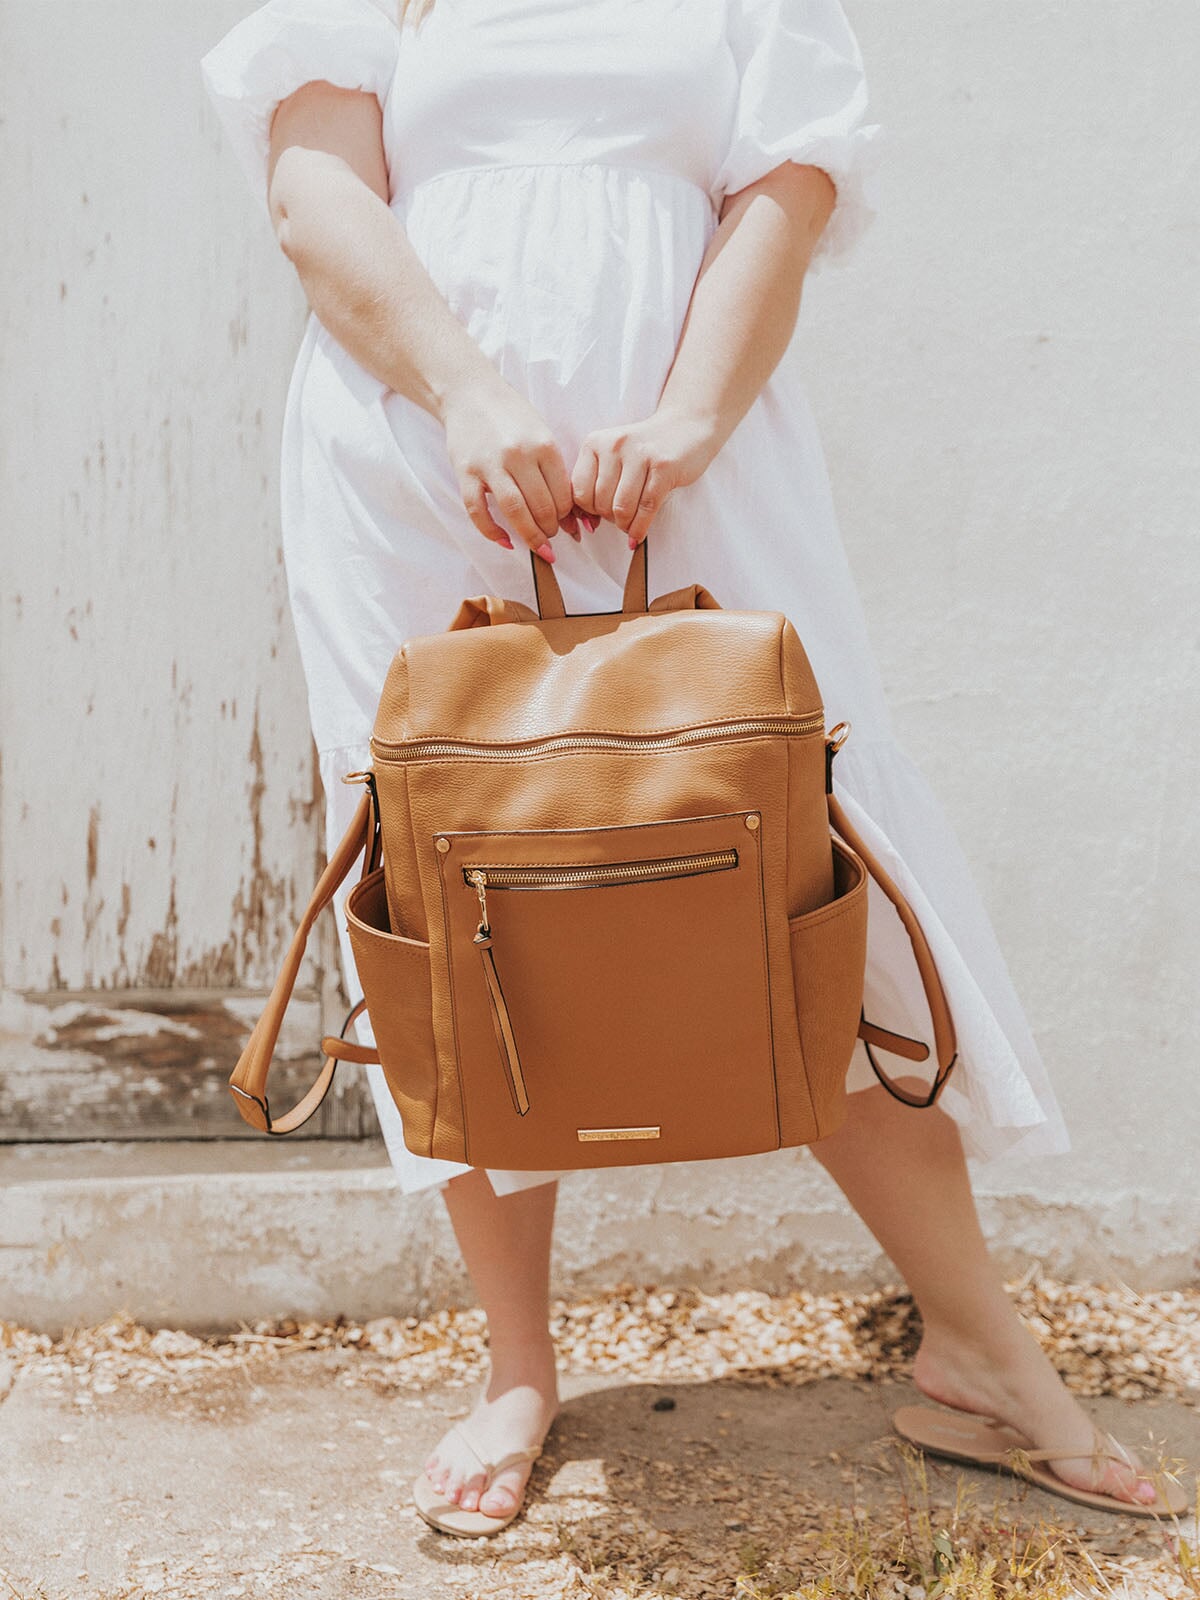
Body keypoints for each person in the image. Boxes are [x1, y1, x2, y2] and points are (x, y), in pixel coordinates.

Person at [200, 0, 1179, 1537]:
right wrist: (468, 394)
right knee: (460, 875)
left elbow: (787, 191)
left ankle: (980, 1349)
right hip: (423, 460)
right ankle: (517, 1370)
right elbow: (315, 196)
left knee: (807, 855)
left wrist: (690, 419)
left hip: (691, 457)